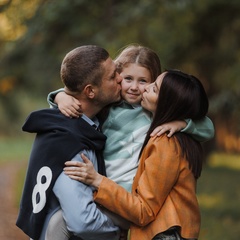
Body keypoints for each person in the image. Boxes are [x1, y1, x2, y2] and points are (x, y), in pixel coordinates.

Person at [64, 70, 211, 240]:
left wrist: (96, 180)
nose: (145, 88)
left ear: (167, 104)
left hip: (164, 234)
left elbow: (143, 210)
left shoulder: (166, 143)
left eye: (154, 89)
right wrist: (62, 96)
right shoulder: (179, 135)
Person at [48, 45, 214, 193]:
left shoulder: (154, 112)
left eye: (143, 81)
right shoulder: (108, 106)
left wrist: (182, 123)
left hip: (130, 191)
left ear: (153, 82)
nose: (134, 87)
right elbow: (80, 92)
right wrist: (60, 96)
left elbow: (208, 129)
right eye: (128, 79)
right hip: (100, 184)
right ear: (117, 78)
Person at [16, 45, 124, 240]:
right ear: (90, 91)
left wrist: (59, 95)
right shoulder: (69, 143)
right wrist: (120, 231)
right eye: (112, 76)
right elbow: (83, 222)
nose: (120, 78)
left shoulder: (69, 124)